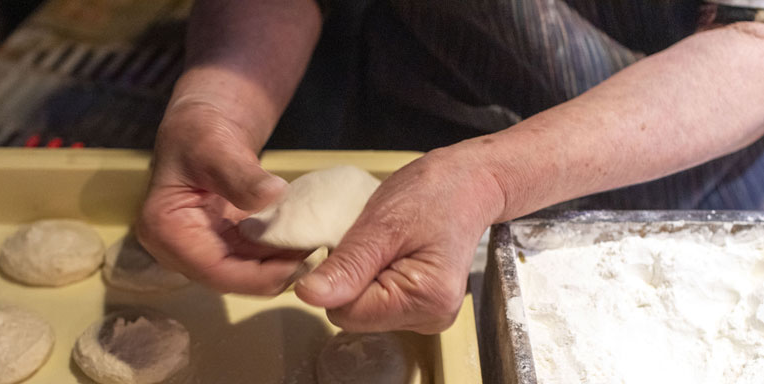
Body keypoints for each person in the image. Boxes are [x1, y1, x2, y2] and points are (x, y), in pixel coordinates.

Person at [136, 0, 764, 334]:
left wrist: (491, 178)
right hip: (422, 135)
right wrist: (216, 107)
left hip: (683, 179)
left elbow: (752, 50)